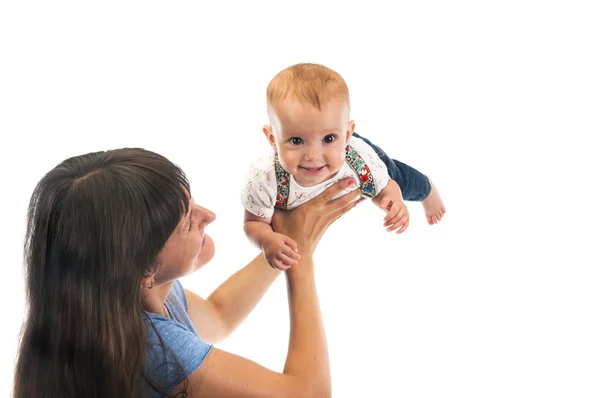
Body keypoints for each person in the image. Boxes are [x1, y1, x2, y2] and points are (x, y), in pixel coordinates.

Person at [13, 148, 361, 398]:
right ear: (145, 267)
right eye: (186, 221)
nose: (208, 215)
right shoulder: (155, 350)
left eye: (192, 201)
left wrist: (287, 243)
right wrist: (303, 263)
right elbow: (309, 394)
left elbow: (218, 315)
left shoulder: (126, 299)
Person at [241, 62, 446, 270]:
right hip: (338, 151)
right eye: (296, 141)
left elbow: (385, 187)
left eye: (328, 138)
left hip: (352, 157)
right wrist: (266, 240)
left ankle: (427, 190)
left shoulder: (361, 160)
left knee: (399, 176)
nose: (313, 156)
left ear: (347, 135)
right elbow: (253, 223)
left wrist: (392, 201)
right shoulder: (264, 180)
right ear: (272, 140)